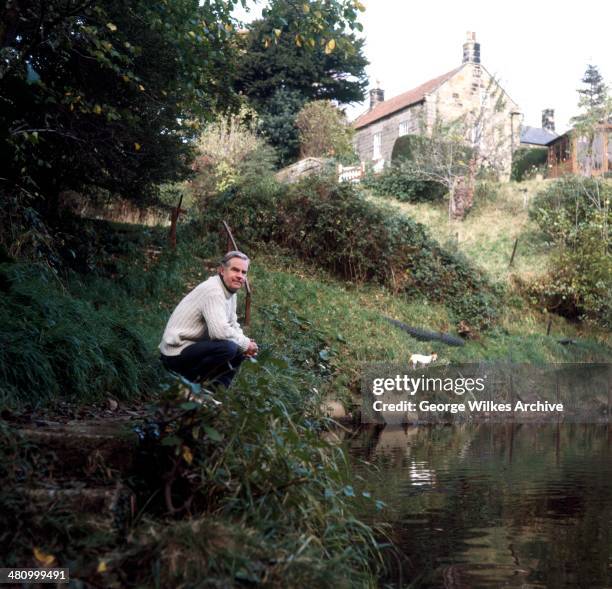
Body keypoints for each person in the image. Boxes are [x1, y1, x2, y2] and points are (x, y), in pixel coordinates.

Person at [159, 251, 258, 388]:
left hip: (192, 347)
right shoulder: (213, 291)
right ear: (222, 270)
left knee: (239, 350)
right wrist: (245, 343)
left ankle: (213, 395)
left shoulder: (230, 291)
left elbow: (232, 324)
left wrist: (247, 344)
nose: (240, 276)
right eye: (235, 270)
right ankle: (188, 385)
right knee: (229, 348)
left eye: (243, 272)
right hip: (175, 351)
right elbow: (219, 332)